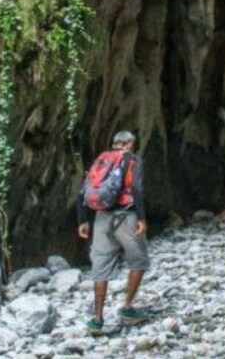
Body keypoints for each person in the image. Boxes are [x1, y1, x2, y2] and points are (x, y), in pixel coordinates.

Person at [77, 130, 150, 335]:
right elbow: (136, 188)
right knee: (139, 260)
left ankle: (97, 318)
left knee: (100, 264)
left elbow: (83, 190)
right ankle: (127, 307)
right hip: (126, 216)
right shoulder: (132, 159)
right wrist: (142, 218)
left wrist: (82, 219)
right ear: (128, 144)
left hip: (101, 218)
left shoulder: (102, 159)